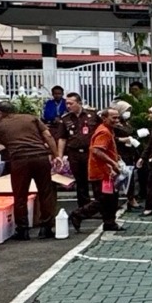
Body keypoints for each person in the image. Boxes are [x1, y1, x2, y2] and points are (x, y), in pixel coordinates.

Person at [0, 100, 58, 239]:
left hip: (20, 160)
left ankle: (23, 230)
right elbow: (48, 136)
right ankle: (47, 228)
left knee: (20, 194)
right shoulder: (31, 118)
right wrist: (56, 155)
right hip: (40, 157)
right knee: (45, 193)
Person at [55, 93, 100, 224]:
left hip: (90, 152)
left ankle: (96, 208)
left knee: (95, 181)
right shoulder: (66, 119)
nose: (68, 106)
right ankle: (83, 209)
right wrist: (60, 156)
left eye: (71, 103)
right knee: (81, 183)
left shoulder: (92, 115)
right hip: (74, 153)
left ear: (79, 103)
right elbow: (62, 138)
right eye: (67, 104)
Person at [87, 104, 124, 233]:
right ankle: (78, 214)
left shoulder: (108, 130)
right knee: (104, 200)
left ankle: (110, 223)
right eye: (113, 118)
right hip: (101, 172)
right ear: (104, 118)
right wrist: (113, 163)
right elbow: (97, 150)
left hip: (106, 173)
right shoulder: (104, 132)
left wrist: (115, 156)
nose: (117, 120)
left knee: (110, 199)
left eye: (118, 118)